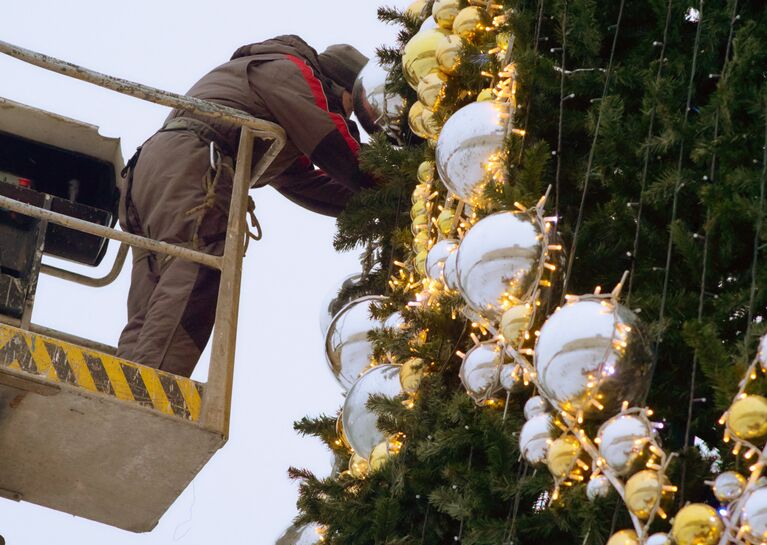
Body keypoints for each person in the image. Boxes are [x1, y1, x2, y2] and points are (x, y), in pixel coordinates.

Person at [116, 35, 373, 377]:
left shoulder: (264, 86)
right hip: (194, 164)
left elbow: (300, 180)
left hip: (153, 169)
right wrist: (399, 180)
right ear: (337, 85)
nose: (348, 115)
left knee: (152, 299)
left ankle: (125, 382)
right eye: (350, 106)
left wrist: (370, 201)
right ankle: (150, 394)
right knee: (196, 274)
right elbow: (334, 144)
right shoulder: (290, 71)